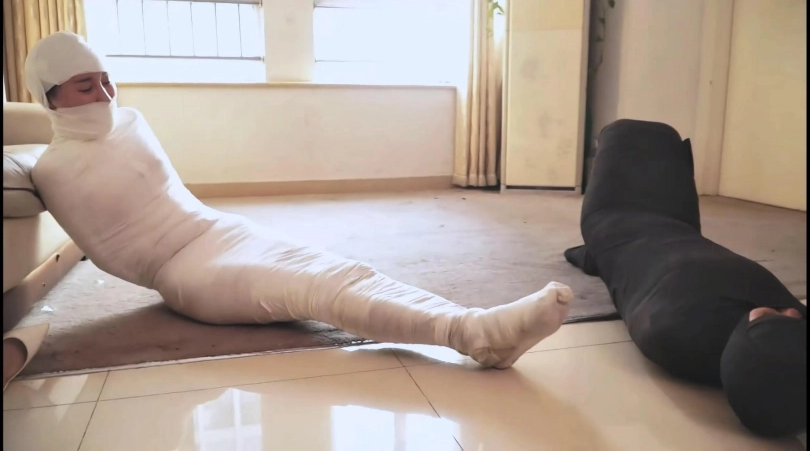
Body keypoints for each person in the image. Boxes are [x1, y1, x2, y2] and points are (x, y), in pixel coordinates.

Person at [22, 31, 573, 370]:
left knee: (343, 271)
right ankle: (474, 334)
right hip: (184, 272)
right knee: (316, 290)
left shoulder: (132, 121)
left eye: (107, 81)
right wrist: (163, 263)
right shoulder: (55, 170)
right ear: (50, 97)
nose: (105, 96)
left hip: (219, 228)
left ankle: (472, 327)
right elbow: (113, 256)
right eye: (86, 86)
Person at [564, 119, 806, 437]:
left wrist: (609, 256)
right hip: (680, 225)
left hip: (617, 220)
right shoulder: (769, 354)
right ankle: (597, 257)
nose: (791, 310)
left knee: (628, 133)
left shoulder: (671, 333)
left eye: (772, 318)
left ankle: (597, 256)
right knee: (664, 138)